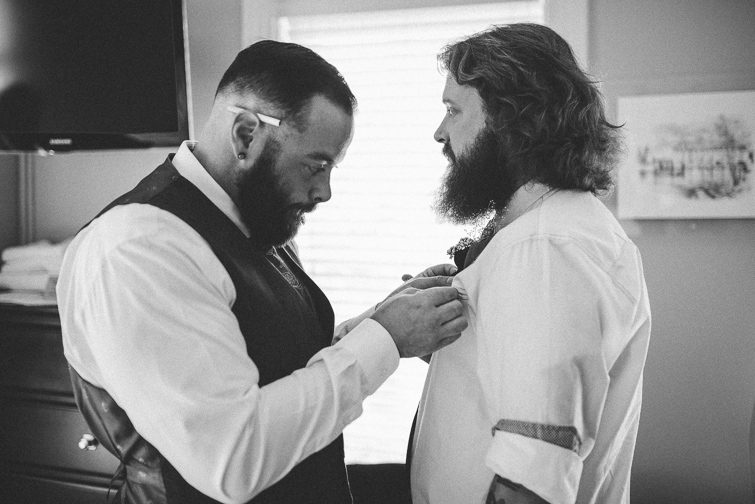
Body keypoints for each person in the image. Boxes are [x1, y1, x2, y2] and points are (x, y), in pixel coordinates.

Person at [56, 40, 467, 504]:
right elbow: (232, 459)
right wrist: (386, 340)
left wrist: (382, 321)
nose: (325, 191)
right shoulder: (139, 247)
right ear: (246, 134)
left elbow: (275, 369)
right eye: (316, 164)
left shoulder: (255, 217)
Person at [409, 24, 651, 504]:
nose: (440, 132)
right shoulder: (555, 230)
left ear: (510, 119)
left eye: (454, 110)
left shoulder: (544, 246)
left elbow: (532, 472)